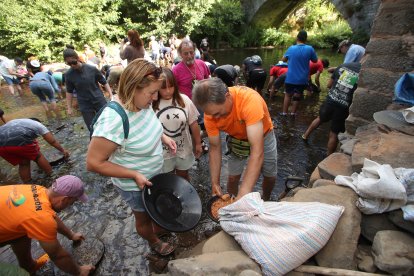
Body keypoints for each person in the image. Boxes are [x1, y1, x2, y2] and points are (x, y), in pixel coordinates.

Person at [86, 59, 177, 256]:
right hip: (135, 185)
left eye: (156, 92)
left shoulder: (142, 102)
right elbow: (93, 163)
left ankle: (158, 226)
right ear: (132, 88)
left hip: (154, 175)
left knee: (155, 209)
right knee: (143, 219)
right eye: (151, 93)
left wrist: (163, 136)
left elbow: (145, 124)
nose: (155, 98)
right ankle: (154, 242)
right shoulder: (113, 120)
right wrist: (133, 174)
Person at [192, 78, 278, 201]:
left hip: (264, 136)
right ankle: (231, 202)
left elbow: (257, 152)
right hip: (236, 138)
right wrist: (215, 183)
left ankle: (266, 198)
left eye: (217, 113)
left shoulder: (250, 101)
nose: (214, 117)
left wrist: (243, 192)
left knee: (270, 175)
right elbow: (215, 147)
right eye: (210, 114)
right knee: (232, 177)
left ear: (227, 96)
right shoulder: (210, 113)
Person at [0, 175, 95, 275]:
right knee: (20, 274)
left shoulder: (39, 189)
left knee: (23, 228)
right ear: (65, 200)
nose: (69, 206)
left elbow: (51, 215)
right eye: (72, 203)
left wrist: (71, 235)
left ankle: (28, 266)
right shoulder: (42, 217)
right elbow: (57, 255)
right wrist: (79, 271)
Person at [152, 68, 202, 181]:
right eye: (163, 88)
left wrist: (198, 143)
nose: (168, 91)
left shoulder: (184, 100)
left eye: (171, 86)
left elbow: (194, 124)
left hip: (184, 148)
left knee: (183, 176)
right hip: (163, 152)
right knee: (167, 179)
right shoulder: (152, 104)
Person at [302, 62, 361, 155]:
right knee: (334, 133)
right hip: (344, 106)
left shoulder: (343, 66)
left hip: (331, 100)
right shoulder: (363, 72)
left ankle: (305, 136)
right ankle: (329, 156)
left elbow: (329, 85)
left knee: (320, 118)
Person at [0, 118, 69, 182]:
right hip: (19, 139)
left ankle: (27, 183)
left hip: (1, 145)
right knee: (38, 156)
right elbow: (52, 141)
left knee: (23, 163)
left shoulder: (18, 122)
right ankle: (52, 176)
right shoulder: (39, 125)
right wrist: (63, 150)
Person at [63, 48, 113, 132]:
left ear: (77, 59)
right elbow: (69, 91)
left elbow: (104, 82)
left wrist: (111, 94)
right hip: (84, 103)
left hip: (98, 99)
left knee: (107, 121)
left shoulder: (91, 69)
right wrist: (69, 107)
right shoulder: (68, 75)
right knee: (91, 127)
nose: (72, 65)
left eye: (73, 62)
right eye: (69, 64)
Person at [281, 30, 318, 116]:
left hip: (290, 77)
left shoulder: (291, 48)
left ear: (297, 38)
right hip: (302, 78)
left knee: (288, 95)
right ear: (306, 39)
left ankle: (284, 113)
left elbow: (283, 60)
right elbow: (315, 60)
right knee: (297, 96)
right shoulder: (310, 48)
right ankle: (293, 113)